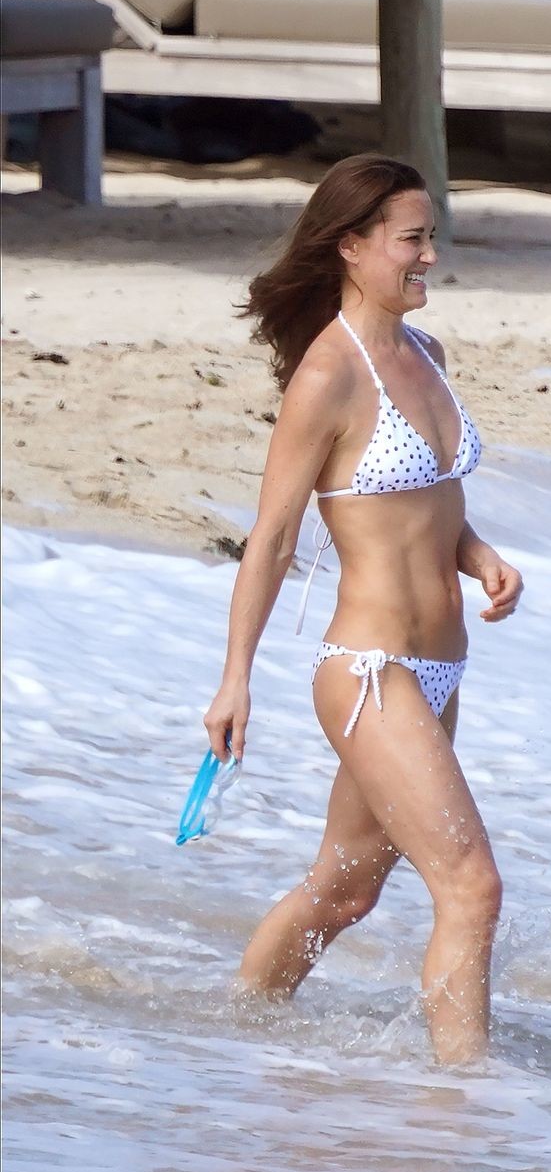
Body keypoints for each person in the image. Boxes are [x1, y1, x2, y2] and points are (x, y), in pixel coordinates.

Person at [204, 155, 521, 1065]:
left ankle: (235, 1031)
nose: (430, 257)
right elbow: (271, 539)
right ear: (350, 245)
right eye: (412, 239)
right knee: (471, 887)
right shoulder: (327, 376)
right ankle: (466, 1097)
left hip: (440, 667)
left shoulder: (427, 355)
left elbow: (427, 503)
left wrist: (478, 555)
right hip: (370, 672)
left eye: (431, 237)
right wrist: (234, 679)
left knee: (344, 891)